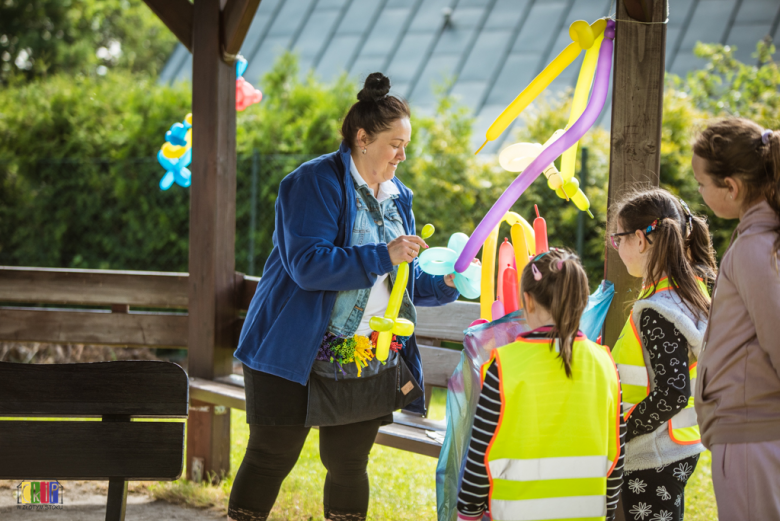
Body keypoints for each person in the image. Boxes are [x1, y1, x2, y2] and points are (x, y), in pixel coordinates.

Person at [227, 73, 460, 521]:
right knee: (271, 457)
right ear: (362, 138)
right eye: (395, 143)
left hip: (363, 354)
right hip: (292, 349)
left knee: (349, 464)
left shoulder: (398, 197)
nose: (402, 155)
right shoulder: (313, 181)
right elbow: (309, 265)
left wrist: (446, 284)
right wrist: (384, 253)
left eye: (405, 145)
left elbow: (397, 279)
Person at [456, 248, 624, 521]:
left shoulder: (505, 363)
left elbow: (480, 451)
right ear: (582, 301)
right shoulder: (607, 365)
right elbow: (616, 457)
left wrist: (469, 512)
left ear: (528, 301)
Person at [608, 188, 717, 521]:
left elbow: (671, 392)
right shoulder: (689, 290)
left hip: (654, 454)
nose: (617, 248)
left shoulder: (658, 309)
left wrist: (621, 430)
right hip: (675, 445)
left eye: (618, 239)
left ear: (640, 240)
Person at [691, 118, 780, 520]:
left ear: (731, 187)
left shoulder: (756, 250)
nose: (699, 192)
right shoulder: (757, 241)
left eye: (702, 183)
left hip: (752, 432)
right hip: (749, 431)